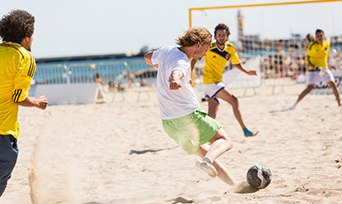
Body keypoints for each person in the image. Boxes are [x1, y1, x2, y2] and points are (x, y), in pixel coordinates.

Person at [144, 27, 236, 186]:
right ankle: (207, 161)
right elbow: (177, 71)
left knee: (207, 153)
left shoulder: (167, 51)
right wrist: (175, 78)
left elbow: (147, 56)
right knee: (225, 140)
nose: (206, 54)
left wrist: (162, 68)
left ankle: (234, 185)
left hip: (169, 123)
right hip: (188, 117)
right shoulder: (183, 61)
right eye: (206, 49)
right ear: (198, 45)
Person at [0, 10, 48, 197]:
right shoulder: (24, 57)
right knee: (5, 166)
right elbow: (18, 97)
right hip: (3, 129)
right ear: (27, 38)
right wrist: (36, 102)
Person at [192, 23, 258, 137]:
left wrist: (247, 71)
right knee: (234, 101)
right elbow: (195, 58)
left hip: (217, 82)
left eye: (223, 35)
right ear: (215, 36)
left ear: (227, 36)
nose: (221, 37)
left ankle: (197, 134)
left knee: (212, 114)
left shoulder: (230, 48)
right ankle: (245, 130)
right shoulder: (209, 48)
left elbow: (236, 63)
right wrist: (189, 75)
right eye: (219, 35)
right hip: (210, 82)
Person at [292, 29, 341, 108]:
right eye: (317, 36)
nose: (319, 37)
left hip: (323, 69)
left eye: (321, 35)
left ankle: (339, 104)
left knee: (333, 84)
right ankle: (295, 104)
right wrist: (314, 67)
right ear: (315, 37)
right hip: (313, 70)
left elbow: (325, 56)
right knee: (309, 88)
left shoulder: (327, 44)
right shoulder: (312, 46)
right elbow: (307, 60)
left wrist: (329, 64)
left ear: (323, 35)